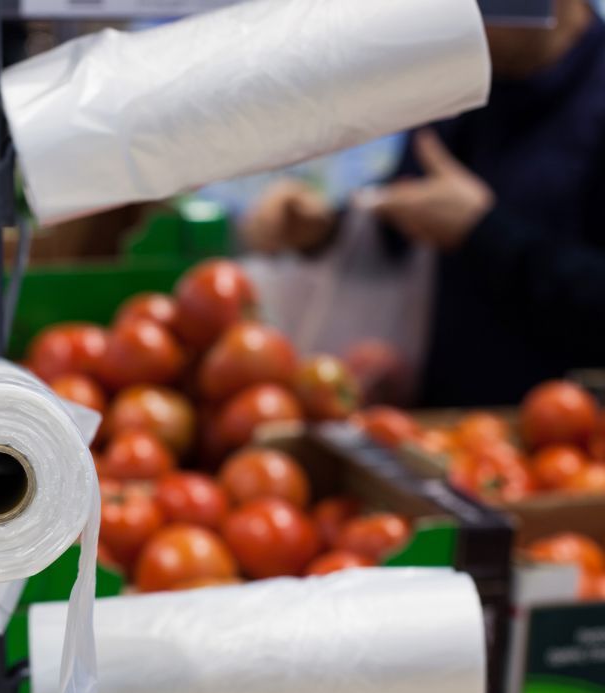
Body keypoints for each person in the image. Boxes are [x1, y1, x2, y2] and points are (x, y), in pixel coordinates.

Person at [241, 0, 605, 406]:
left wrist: (483, 231)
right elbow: (403, 211)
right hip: (443, 431)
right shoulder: (464, 84)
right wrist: (325, 228)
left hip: (572, 434)